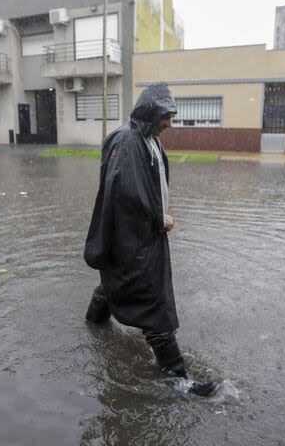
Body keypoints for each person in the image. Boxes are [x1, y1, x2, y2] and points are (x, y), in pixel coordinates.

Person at [83, 82, 218, 397]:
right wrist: (157, 218)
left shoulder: (146, 138)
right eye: (166, 116)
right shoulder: (130, 141)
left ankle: (93, 324)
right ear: (150, 112)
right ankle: (177, 377)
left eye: (171, 116)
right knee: (153, 302)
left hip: (132, 237)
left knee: (116, 281)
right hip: (137, 237)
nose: (170, 123)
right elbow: (125, 192)